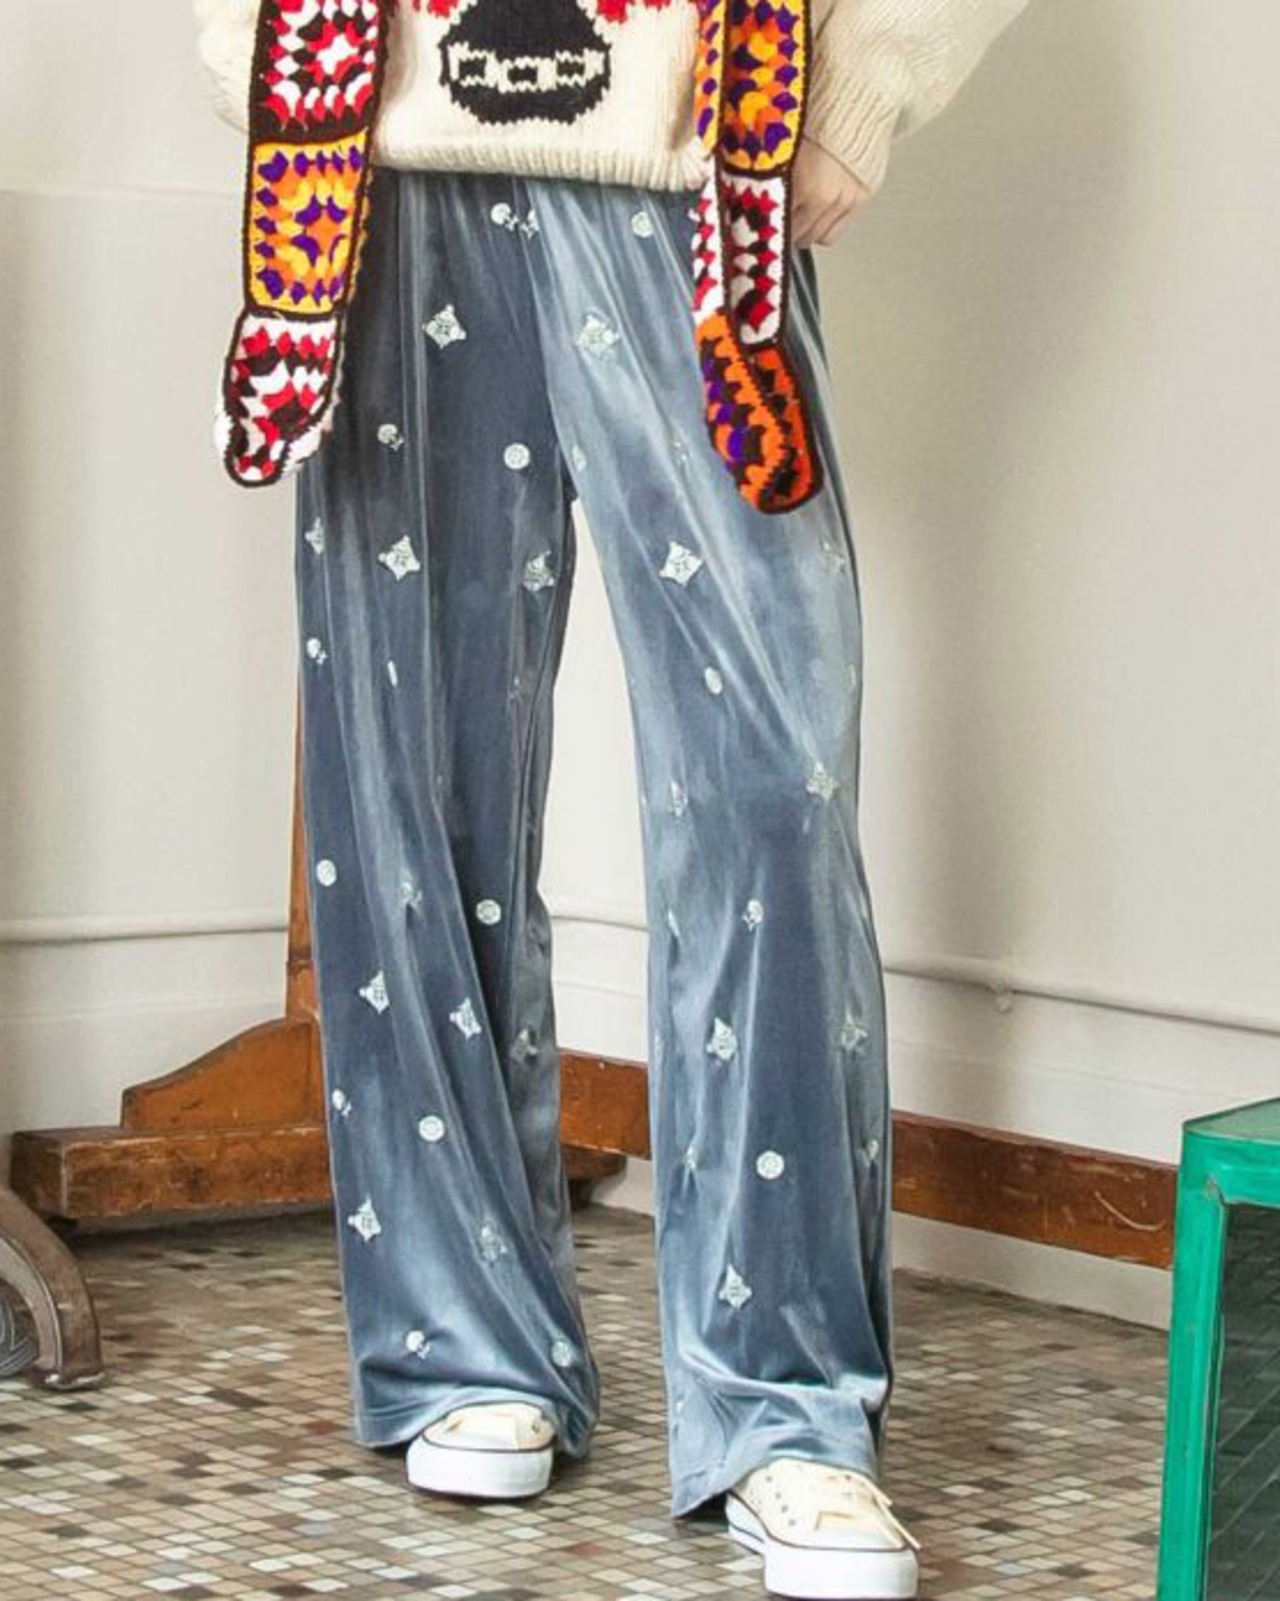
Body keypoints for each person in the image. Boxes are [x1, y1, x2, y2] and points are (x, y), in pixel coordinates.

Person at [193, 2, 1028, 1595]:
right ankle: (463, 1337)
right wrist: (251, 48)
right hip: (376, 149)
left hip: (695, 147)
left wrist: (862, 83)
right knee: (408, 761)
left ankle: (784, 1403)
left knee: (771, 777)